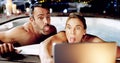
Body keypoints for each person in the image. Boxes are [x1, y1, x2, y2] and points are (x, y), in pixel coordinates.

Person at [39, 13, 120, 63]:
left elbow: (113, 50)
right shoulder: (63, 35)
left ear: (84, 31)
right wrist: (47, 59)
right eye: (69, 27)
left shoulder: (90, 40)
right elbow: (45, 44)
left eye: (77, 28)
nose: (72, 32)